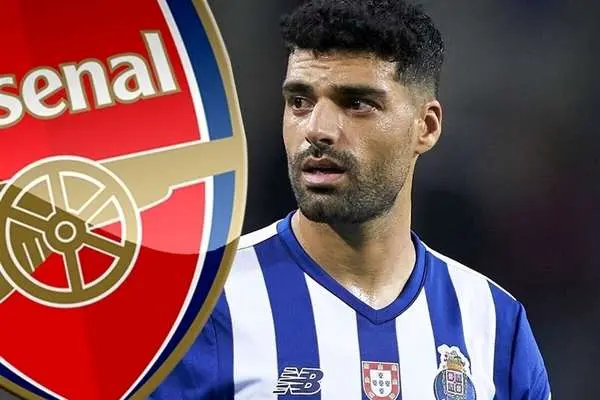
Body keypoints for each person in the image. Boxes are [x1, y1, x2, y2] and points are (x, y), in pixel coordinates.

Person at [151, 0, 551, 399]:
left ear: (426, 127)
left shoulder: (494, 324)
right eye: (300, 101)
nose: (317, 129)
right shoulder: (199, 305)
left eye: (357, 103)